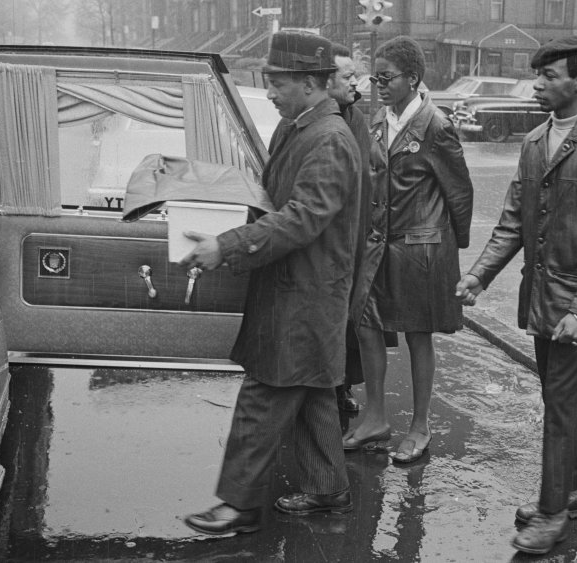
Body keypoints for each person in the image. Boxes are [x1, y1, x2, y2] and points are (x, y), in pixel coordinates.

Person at [455, 36, 577, 555]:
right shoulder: (536, 140)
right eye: (537, 75)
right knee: (561, 399)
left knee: (558, 402)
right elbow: (515, 219)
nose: (538, 84)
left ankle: (553, 512)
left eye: (550, 76)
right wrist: (480, 275)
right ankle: (571, 492)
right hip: (541, 297)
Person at [179, 30, 362, 535]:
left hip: (305, 294)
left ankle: (236, 506)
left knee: (266, 390)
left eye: (277, 82)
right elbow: (273, 199)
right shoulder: (297, 127)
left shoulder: (328, 138)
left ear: (310, 82)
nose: (270, 92)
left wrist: (228, 245)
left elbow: (303, 217)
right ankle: (328, 489)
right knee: (312, 387)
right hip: (295, 285)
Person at [343, 36, 474, 464]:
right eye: (374, 77)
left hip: (421, 251)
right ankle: (376, 416)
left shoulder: (435, 126)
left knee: (419, 335)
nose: (377, 84)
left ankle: (420, 426)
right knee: (366, 323)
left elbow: (459, 193)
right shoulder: (379, 118)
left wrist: (452, 251)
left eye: (386, 77)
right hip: (379, 246)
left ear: (413, 79)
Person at [327, 42, 400, 417]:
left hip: (359, 235)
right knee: (332, 316)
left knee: (354, 318)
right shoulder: (320, 121)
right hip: (331, 235)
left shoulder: (355, 118)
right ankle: (328, 387)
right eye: (348, 75)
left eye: (356, 75)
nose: (357, 82)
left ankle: (342, 387)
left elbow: (376, 171)